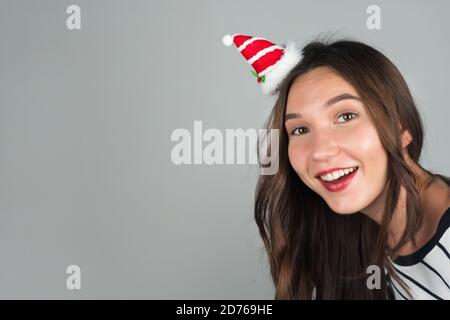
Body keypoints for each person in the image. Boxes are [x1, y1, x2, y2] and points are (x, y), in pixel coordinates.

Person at [240, 37, 450, 299]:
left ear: (401, 127)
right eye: (300, 129)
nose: (320, 151)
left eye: (346, 116)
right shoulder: (365, 240)